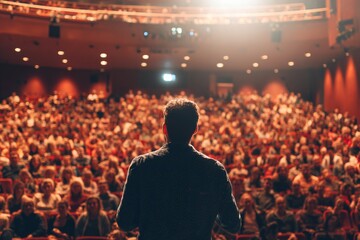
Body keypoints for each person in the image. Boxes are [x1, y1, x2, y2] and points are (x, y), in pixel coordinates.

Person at [116, 99, 241, 239]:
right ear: (195, 129)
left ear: (164, 128)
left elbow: (125, 223)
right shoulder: (214, 170)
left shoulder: (142, 165)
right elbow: (232, 224)